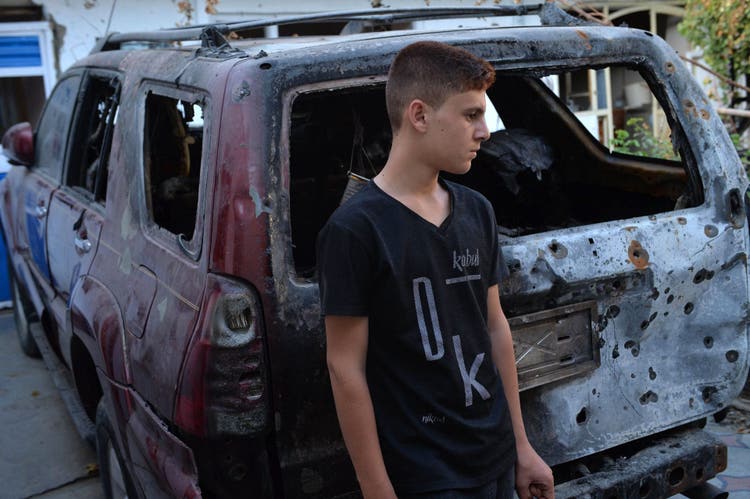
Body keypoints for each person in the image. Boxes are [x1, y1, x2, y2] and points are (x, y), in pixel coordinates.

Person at [317, 41, 554, 499]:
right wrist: (376, 488)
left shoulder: (477, 210)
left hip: (494, 456)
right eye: (471, 115)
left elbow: (494, 328)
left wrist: (522, 448)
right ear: (420, 115)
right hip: (424, 475)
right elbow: (344, 367)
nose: (485, 132)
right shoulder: (354, 231)